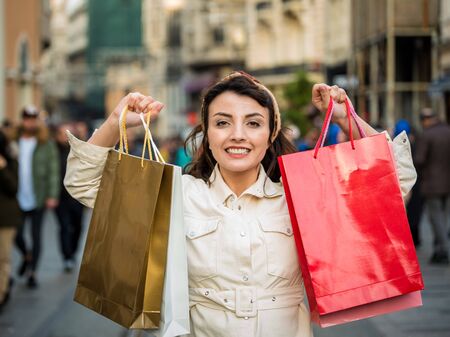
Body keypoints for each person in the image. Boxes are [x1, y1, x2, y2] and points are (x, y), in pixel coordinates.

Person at [64, 72, 416, 337]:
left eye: (253, 123)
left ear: (271, 133)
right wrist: (114, 124)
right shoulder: (176, 194)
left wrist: (345, 119)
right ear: (207, 134)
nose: (237, 135)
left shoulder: (303, 194)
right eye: (222, 123)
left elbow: (393, 183)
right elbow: (85, 182)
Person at [14, 106, 60, 288]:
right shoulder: (14, 141)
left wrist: (52, 195)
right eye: (26, 118)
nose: (30, 122)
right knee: (16, 234)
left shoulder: (45, 143)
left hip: (38, 196)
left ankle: (32, 272)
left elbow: (53, 171)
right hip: (17, 197)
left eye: (33, 118)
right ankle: (26, 255)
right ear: (22, 120)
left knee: (36, 235)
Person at [414, 108, 450, 264]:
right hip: (448, 182)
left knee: (436, 218)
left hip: (432, 183)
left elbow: (419, 160)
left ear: (425, 120)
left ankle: (443, 249)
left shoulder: (427, 135)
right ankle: (438, 250)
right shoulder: (448, 131)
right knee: (443, 217)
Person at [54, 123, 84, 272]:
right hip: (60, 197)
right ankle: (67, 257)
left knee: (78, 226)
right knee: (64, 227)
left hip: (77, 197)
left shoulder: (79, 149)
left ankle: (72, 253)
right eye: (63, 133)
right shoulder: (53, 151)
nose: (65, 137)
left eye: (69, 133)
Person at [0, 130, 22, 311]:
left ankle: (1, 293)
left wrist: (3, 168)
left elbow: (14, 188)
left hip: (5, 219)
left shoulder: (10, 161)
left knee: (3, 258)